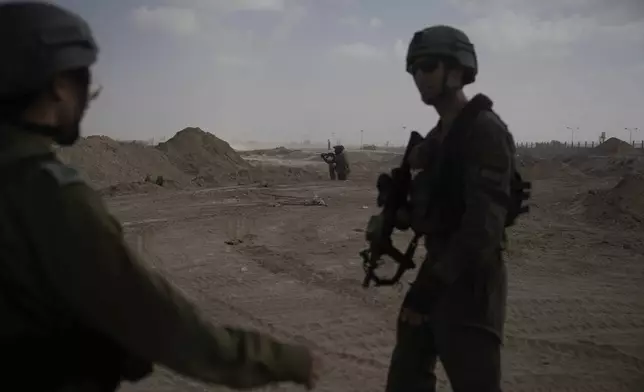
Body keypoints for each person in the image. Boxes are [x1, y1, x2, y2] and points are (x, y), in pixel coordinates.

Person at [0, 2, 318, 391]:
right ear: (58, 86)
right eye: (85, 86)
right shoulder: (47, 196)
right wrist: (282, 360)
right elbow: (159, 322)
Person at [384, 24, 518, 392]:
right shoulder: (440, 135)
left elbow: (482, 229)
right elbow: (442, 210)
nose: (419, 77)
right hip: (439, 267)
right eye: (414, 69)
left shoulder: (484, 131)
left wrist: (431, 284)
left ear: (457, 72)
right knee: (406, 377)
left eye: (428, 66)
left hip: (471, 283)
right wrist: (401, 211)